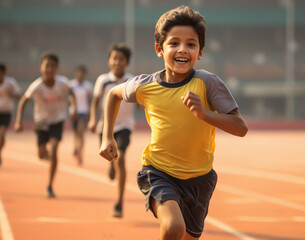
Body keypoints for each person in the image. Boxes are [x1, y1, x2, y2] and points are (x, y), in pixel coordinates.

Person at [99, 6, 248, 240]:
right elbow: (113, 95)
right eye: (174, 43)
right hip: (159, 172)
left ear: (200, 52)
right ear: (159, 49)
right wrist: (107, 136)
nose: (182, 50)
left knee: (187, 236)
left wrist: (205, 114)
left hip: (200, 179)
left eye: (191, 44)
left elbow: (240, 127)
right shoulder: (145, 86)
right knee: (172, 228)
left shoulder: (208, 83)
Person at [14, 52, 77, 198]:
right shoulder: (36, 86)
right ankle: (45, 152)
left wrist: (73, 108)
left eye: (53, 66)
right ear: (41, 68)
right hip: (41, 121)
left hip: (57, 120)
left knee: (55, 149)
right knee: (41, 155)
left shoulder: (62, 83)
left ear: (57, 69)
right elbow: (24, 101)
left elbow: (72, 93)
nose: (50, 69)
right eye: (47, 66)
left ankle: (50, 185)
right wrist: (18, 121)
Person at [88, 43, 135, 218]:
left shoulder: (132, 81)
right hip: (106, 127)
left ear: (127, 62)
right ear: (109, 61)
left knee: (121, 158)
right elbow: (95, 101)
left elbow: (140, 100)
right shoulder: (102, 80)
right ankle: (112, 164)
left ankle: (119, 202)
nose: (117, 62)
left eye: (121, 59)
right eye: (114, 58)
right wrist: (93, 119)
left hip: (124, 126)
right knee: (112, 158)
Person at [68, 65, 93, 165]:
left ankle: (79, 152)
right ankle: (75, 146)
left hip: (84, 112)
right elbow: (68, 98)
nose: (80, 75)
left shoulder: (88, 86)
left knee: (81, 131)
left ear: (85, 75)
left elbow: (91, 99)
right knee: (76, 133)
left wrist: (90, 111)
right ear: (76, 74)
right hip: (73, 112)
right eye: (78, 73)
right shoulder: (71, 85)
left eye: (82, 74)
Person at [0, 63, 21, 167]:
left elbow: (19, 96)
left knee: (2, 135)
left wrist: (11, 93)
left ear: (4, 73)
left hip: (6, 112)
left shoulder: (10, 83)